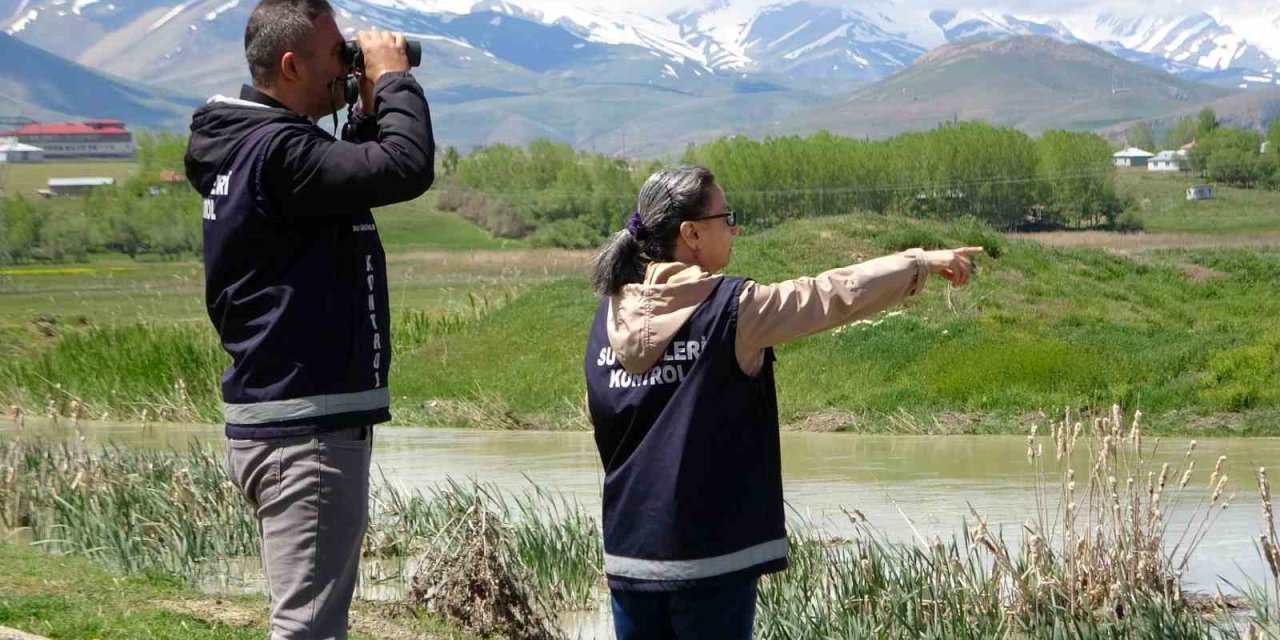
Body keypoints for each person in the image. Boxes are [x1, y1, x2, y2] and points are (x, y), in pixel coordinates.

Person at [583, 165, 981, 639]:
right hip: (711, 559)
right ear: (690, 233)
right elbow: (830, 295)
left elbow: (603, 424)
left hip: (629, 556)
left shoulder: (607, 318)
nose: (735, 228)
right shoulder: (733, 309)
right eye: (726, 218)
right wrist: (918, 262)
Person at [183, 0, 434, 636]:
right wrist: (397, 80)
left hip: (278, 416)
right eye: (337, 57)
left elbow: (348, 178)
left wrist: (368, 106)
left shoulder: (249, 147)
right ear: (292, 65)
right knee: (309, 627)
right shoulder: (279, 152)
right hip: (305, 429)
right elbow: (405, 167)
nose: (347, 67)